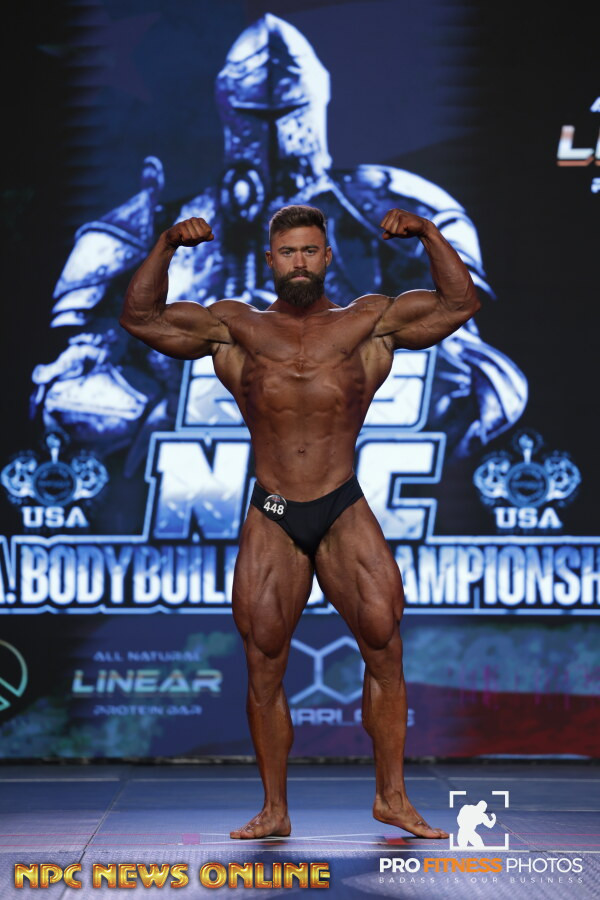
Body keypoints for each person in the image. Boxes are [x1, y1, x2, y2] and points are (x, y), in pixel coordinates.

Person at [120, 204, 480, 840]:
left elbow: (459, 304)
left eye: (310, 251)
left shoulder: (368, 322)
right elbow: (141, 318)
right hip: (276, 511)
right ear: (270, 260)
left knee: (384, 643)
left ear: (327, 256)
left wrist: (428, 233)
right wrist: (167, 244)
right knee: (265, 659)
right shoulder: (235, 327)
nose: (299, 263)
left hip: (342, 504)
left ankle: (392, 797)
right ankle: (274, 808)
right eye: (287, 253)